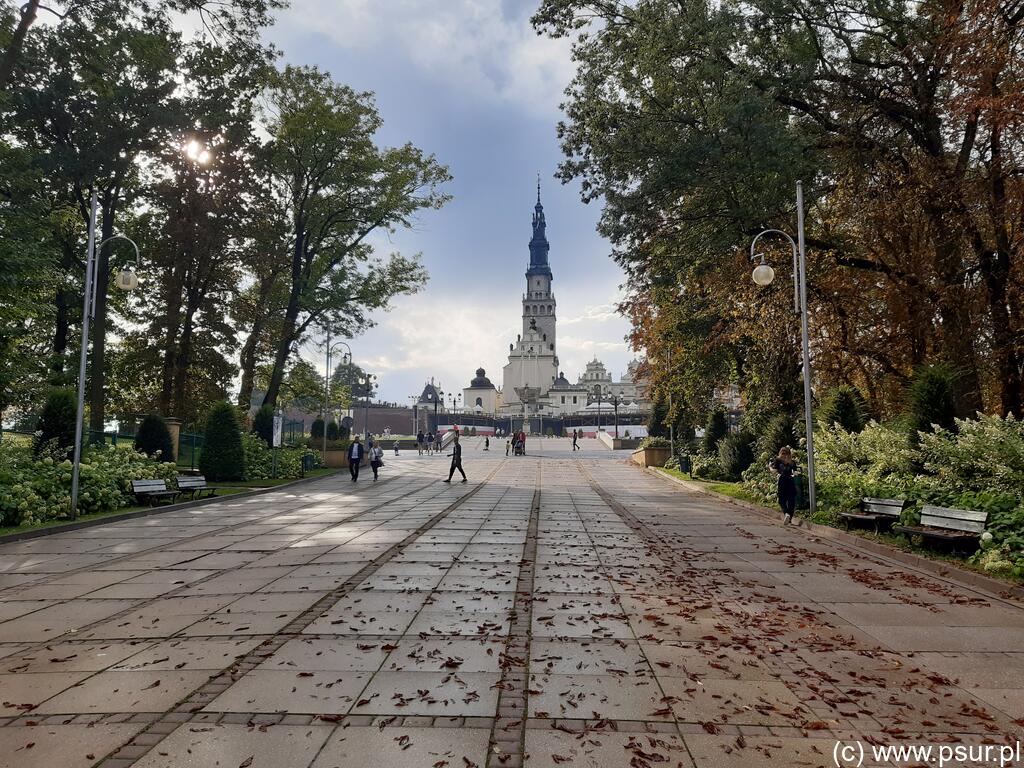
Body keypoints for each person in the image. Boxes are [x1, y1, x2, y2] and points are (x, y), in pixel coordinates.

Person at [769, 446, 799, 525]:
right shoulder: (792, 462)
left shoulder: (778, 460)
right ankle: (790, 518)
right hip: (790, 481)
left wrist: (770, 467)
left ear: (780, 453)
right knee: (791, 500)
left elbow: (774, 471)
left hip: (782, 480)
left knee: (782, 500)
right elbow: (795, 473)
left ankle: (786, 513)